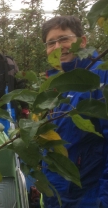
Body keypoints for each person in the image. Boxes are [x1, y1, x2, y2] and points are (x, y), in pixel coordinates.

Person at [41, 16, 108, 207]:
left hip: (87, 196)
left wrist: (104, 199)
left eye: (64, 39)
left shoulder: (100, 78)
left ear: (83, 41)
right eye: (50, 43)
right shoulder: (54, 84)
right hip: (56, 193)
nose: (57, 47)